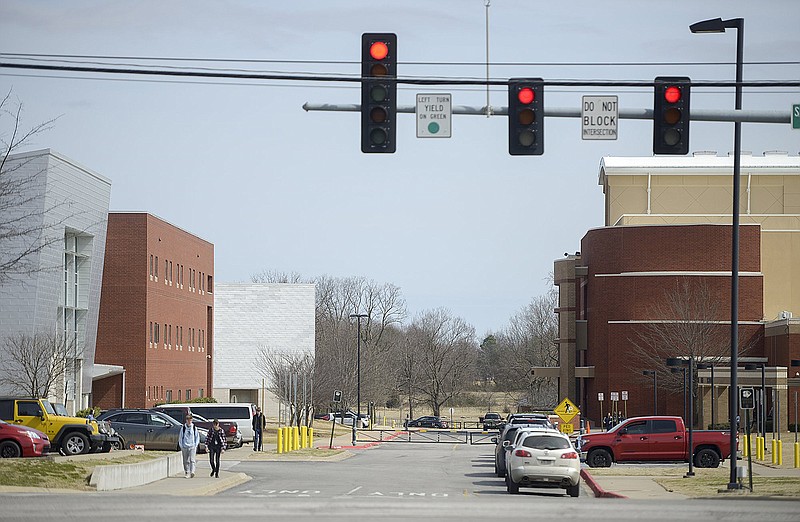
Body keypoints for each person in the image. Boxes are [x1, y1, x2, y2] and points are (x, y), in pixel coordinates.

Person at [179, 413, 200, 478]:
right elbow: (180, 437)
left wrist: (195, 445)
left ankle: (192, 472)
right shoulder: (183, 428)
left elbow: (197, 437)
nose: (189, 421)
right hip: (185, 446)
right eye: (187, 419)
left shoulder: (194, 428)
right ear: (186, 420)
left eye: (190, 419)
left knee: (192, 460)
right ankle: (187, 472)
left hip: (192, 446)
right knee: (186, 461)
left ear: (192, 420)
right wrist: (181, 446)